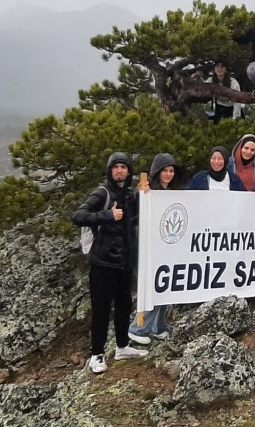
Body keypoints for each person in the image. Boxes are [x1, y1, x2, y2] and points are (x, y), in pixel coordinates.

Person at [73, 152, 149, 374]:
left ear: (128, 171)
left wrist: (147, 196)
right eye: (115, 167)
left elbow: (137, 218)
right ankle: (96, 354)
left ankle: (122, 346)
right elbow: (78, 216)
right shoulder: (102, 193)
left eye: (123, 167)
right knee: (101, 309)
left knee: (124, 306)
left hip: (124, 262)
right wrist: (106, 215)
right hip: (103, 263)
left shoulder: (128, 195)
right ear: (109, 170)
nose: (119, 171)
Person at [128, 153, 183, 345]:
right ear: (157, 172)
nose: (168, 174)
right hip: (148, 246)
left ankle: (158, 327)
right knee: (151, 287)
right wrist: (141, 195)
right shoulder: (146, 191)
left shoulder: (174, 192)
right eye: (165, 171)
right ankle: (138, 328)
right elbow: (134, 216)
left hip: (167, 246)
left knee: (165, 284)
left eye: (171, 170)